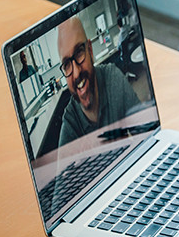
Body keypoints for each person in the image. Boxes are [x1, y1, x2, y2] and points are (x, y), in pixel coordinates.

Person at [57, 16, 141, 146]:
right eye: (67, 64)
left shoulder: (112, 78)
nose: (77, 72)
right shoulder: (71, 122)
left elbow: (145, 130)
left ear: (90, 50)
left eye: (79, 52)